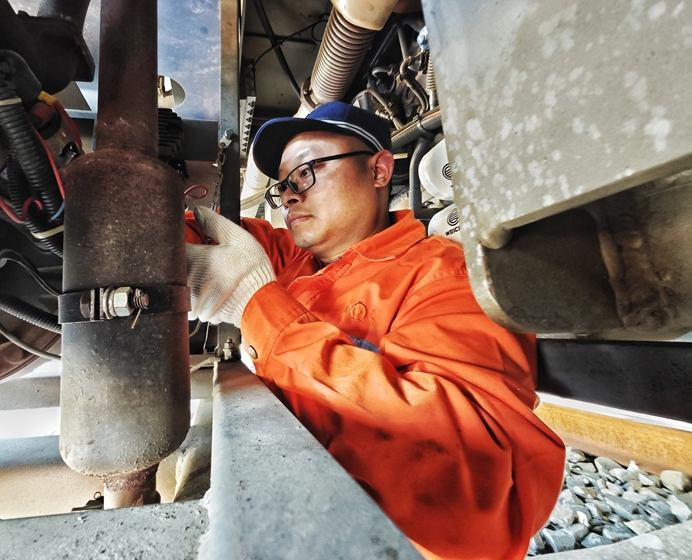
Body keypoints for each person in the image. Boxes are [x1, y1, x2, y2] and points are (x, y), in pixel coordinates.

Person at [185, 101, 565, 559]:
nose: (288, 195)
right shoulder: (291, 259)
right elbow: (199, 237)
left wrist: (257, 303)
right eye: (283, 185)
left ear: (380, 170)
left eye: (306, 172)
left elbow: (467, 473)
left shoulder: (446, 277)